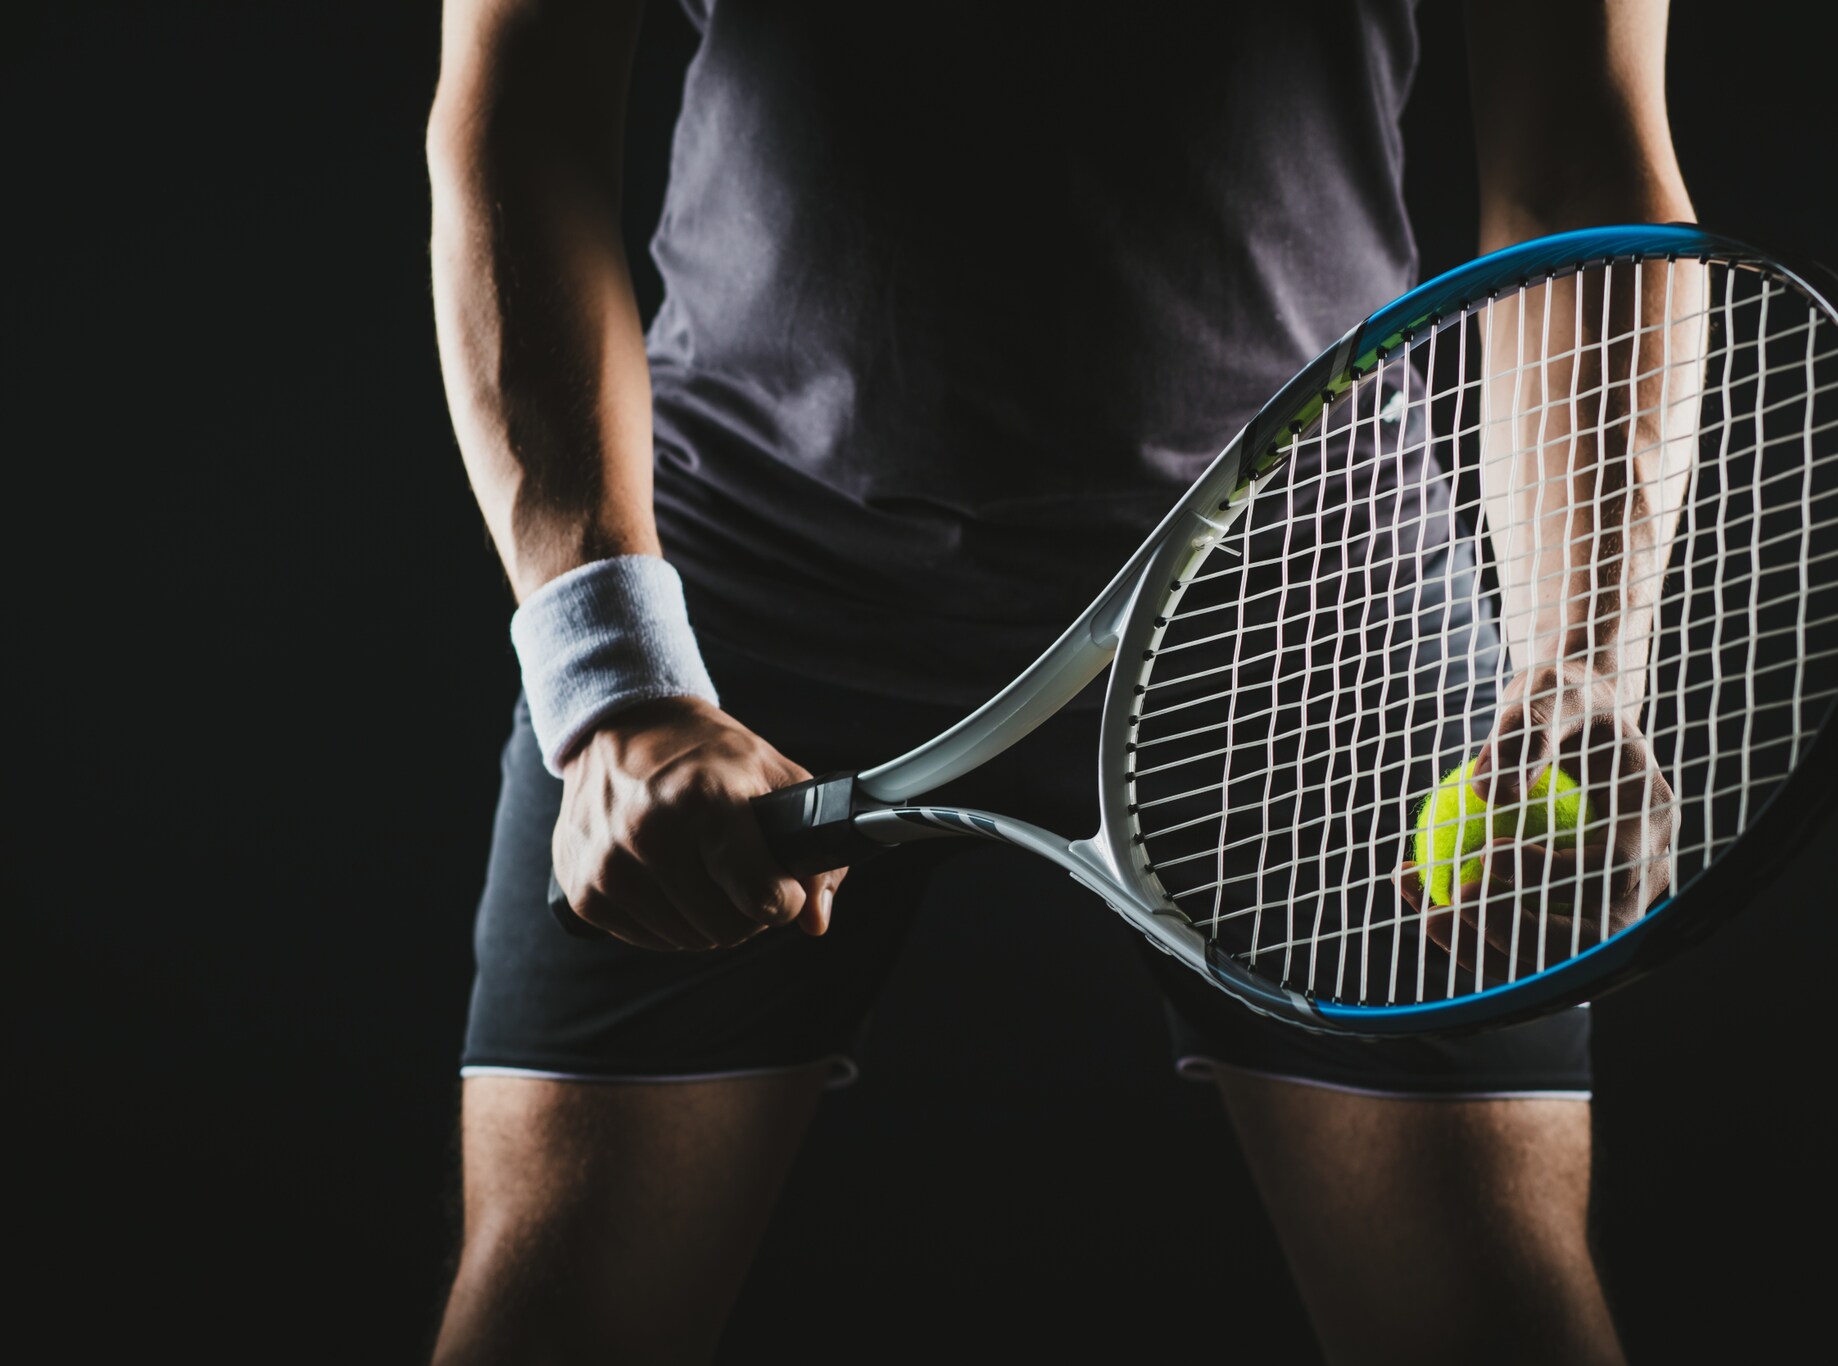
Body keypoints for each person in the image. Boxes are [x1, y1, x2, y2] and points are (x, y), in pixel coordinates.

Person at [425, 1, 1693, 1360]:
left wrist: (1582, 661)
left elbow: (1576, 150)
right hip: (754, 585)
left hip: (1309, 592)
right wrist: (614, 675)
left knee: (1497, 1317)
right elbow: (525, 98)